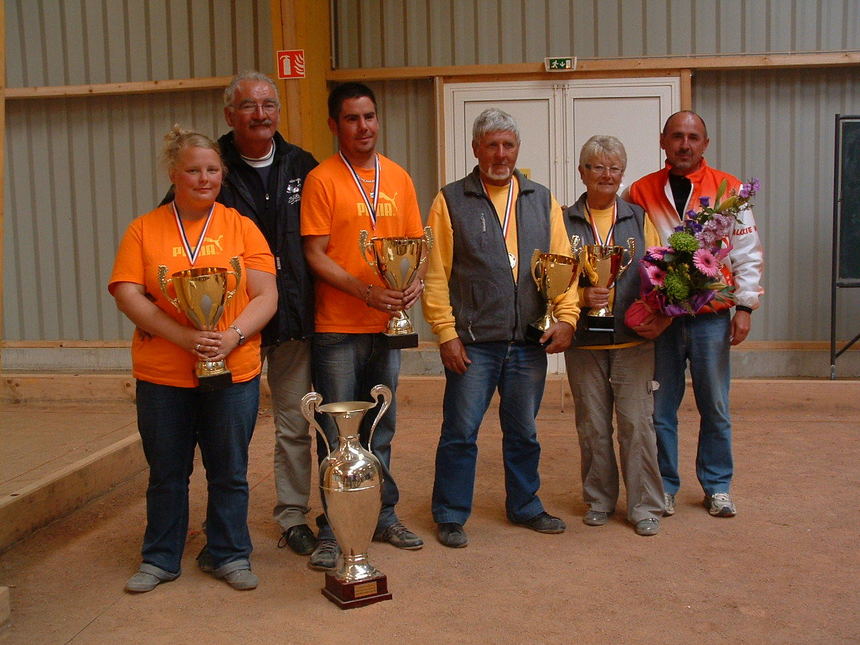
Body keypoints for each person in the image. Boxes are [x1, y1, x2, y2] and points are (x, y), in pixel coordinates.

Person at [110, 126, 277, 592]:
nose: (204, 178)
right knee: (167, 472)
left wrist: (232, 335)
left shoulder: (241, 227)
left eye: (212, 170)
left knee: (229, 469)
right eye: (193, 170)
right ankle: (161, 556)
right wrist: (185, 338)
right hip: (164, 373)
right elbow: (128, 293)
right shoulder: (144, 229)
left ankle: (229, 553)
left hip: (233, 367)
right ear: (174, 174)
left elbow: (266, 294)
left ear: (222, 173)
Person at [422, 108, 578, 548]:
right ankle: (451, 513)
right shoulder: (450, 200)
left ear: (517, 150)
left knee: (525, 432)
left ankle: (525, 505)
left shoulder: (540, 198)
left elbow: (563, 263)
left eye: (508, 145)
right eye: (491, 145)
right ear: (476, 149)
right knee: (460, 433)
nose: (501, 154)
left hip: (528, 341)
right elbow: (436, 273)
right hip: (473, 344)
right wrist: (446, 333)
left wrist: (567, 317)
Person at [301, 82, 425, 569]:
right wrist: (366, 292)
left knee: (381, 424)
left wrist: (410, 285)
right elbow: (314, 255)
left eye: (369, 116)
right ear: (335, 125)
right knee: (337, 431)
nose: (364, 127)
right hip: (338, 326)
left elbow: (415, 245)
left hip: (386, 327)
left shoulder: (399, 177)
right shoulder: (322, 180)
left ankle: (381, 513)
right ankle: (332, 527)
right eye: (352, 119)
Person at [627, 111, 764, 518]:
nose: (684, 144)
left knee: (715, 404)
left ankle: (718, 486)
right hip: (662, 317)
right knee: (661, 407)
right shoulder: (640, 191)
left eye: (693, 137)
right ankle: (665, 485)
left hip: (711, 316)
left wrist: (744, 305)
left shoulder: (730, 189)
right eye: (677, 137)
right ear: (663, 141)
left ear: (705, 144)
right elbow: (633, 250)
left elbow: (746, 251)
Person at [218, 71, 319, 556]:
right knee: (225, 429)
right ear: (229, 115)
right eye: (248, 106)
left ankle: (293, 515)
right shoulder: (210, 167)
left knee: (294, 424)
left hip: (293, 320)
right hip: (232, 327)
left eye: (268, 105)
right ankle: (225, 527)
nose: (260, 115)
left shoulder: (303, 164)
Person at [563, 135, 665, 536]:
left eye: (615, 168)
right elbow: (551, 278)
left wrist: (661, 317)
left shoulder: (640, 219)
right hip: (584, 342)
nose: (607, 175)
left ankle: (644, 506)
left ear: (623, 174)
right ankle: (600, 499)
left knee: (637, 424)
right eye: (597, 167)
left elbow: (660, 274)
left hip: (633, 341)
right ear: (582, 172)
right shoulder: (564, 220)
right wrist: (581, 295)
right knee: (591, 424)